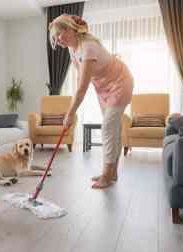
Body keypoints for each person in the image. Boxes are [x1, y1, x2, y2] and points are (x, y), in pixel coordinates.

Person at [49, 14, 133, 189]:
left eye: (60, 34)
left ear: (71, 29)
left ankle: (106, 174)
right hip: (103, 88)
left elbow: (82, 87)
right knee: (113, 128)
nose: (58, 40)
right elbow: (80, 76)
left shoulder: (88, 47)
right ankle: (112, 173)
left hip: (120, 83)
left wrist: (70, 113)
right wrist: (71, 110)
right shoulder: (72, 49)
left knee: (108, 128)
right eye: (55, 37)